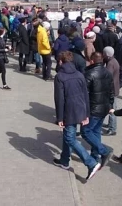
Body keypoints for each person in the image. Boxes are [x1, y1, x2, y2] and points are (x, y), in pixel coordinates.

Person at [52, 51, 102, 181]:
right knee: (68, 136)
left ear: (61, 62)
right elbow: (85, 94)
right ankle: (64, 160)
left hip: (69, 111)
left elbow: (59, 99)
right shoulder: (80, 74)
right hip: (80, 109)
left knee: (70, 138)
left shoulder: (60, 76)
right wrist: (86, 114)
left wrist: (60, 118)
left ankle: (91, 163)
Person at [81, 52, 114, 168]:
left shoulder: (89, 74)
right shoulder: (108, 73)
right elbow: (111, 91)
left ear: (92, 61)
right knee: (96, 131)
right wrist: (110, 106)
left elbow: (84, 94)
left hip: (93, 108)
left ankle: (104, 151)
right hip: (104, 108)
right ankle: (96, 156)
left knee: (85, 131)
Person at [103, 46, 120, 136]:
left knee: (112, 109)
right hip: (114, 88)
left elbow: (107, 76)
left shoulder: (110, 64)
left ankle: (112, 128)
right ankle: (110, 124)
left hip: (111, 90)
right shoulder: (113, 61)